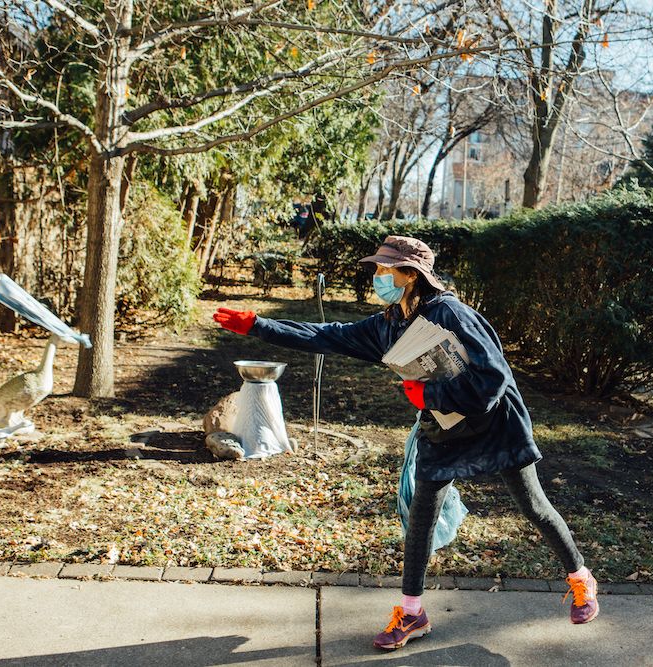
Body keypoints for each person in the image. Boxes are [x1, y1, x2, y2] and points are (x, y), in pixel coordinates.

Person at [213, 235, 598, 651]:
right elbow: (328, 335)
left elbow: (493, 380)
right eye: (378, 268)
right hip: (442, 430)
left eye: (385, 269)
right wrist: (258, 326)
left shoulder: (452, 313)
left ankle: (581, 579)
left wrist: (428, 396)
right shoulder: (388, 324)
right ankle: (412, 613)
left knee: (535, 507)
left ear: (411, 275)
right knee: (421, 518)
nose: (378, 276)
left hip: (495, 425)